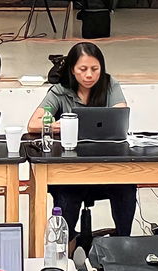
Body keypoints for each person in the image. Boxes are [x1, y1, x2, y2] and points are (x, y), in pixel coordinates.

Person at [27, 42, 135, 239]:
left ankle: (122, 243)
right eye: (83, 69)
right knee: (67, 194)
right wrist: (61, 125)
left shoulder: (110, 85)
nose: (89, 75)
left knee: (126, 186)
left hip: (106, 168)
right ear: (72, 69)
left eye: (95, 69)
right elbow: (34, 123)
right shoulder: (60, 91)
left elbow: (120, 116)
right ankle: (64, 244)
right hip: (71, 171)